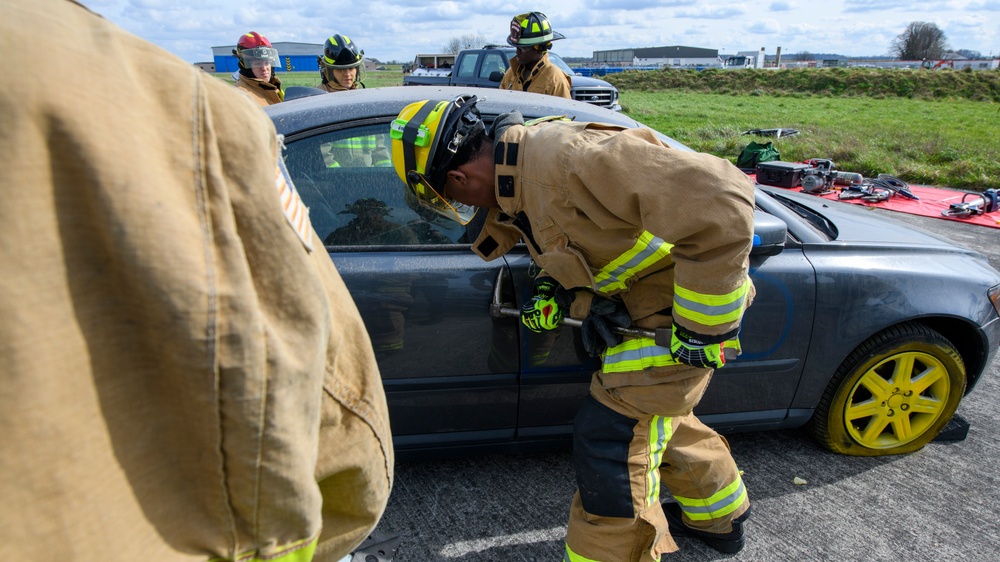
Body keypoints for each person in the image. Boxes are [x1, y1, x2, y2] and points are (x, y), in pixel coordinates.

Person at [1, 1, 393, 561]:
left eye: (267, 57)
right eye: (253, 58)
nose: (262, 65)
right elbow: (345, 428)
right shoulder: (210, 110)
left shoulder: (261, 101)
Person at [390, 94, 756, 561]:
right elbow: (575, 241)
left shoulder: (567, 161)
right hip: (636, 312)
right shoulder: (515, 181)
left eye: (449, 197)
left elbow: (720, 198)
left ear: (459, 178)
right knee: (660, 421)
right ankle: (722, 517)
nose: (457, 205)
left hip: (680, 319)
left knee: (613, 442)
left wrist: (704, 331)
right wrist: (552, 290)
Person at [500, 12, 572, 99]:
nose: (517, 52)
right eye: (517, 47)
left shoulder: (555, 79)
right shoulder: (511, 74)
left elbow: (564, 111)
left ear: (539, 48)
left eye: (522, 49)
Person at [233, 31, 284, 106]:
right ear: (245, 66)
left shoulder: (273, 88)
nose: (264, 68)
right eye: (257, 64)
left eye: (267, 63)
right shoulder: (239, 96)